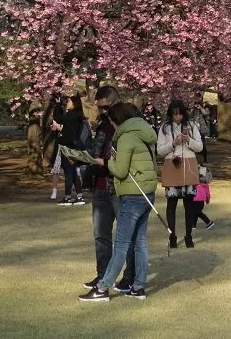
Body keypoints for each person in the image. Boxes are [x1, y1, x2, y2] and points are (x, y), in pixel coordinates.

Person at [79, 102, 157, 302]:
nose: (111, 126)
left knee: (121, 244)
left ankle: (102, 288)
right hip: (147, 193)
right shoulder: (145, 132)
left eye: (112, 122)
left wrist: (106, 162)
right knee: (139, 242)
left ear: (117, 120)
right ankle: (138, 287)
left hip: (132, 195)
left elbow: (120, 171)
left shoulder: (126, 137)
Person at [83, 85, 135, 293]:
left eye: (106, 107)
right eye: (100, 108)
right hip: (100, 184)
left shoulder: (129, 123)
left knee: (125, 235)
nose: (103, 111)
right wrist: (83, 156)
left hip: (119, 186)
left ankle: (129, 276)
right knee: (101, 234)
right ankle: (103, 275)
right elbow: (96, 149)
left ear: (116, 101)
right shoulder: (103, 124)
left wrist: (106, 161)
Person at [157, 99, 204, 248]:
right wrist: (173, 144)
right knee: (171, 203)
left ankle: (188, 235)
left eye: (180, 114)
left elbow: (200, 147)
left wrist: (188, 139)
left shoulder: (192, 125)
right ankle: (172, 236)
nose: (178, 117)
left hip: (188, 165)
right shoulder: (165, 128)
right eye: (175, 114)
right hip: (172, 164)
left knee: (189, 203)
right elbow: (159, 150)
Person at [52, 93, 88, 206]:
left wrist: (58, 105)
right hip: (73, 146)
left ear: (74, 104)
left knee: (68, 172)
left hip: (68, 147)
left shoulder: (72, 115)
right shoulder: (76, 115)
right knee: (73, 172)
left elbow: (57, 118)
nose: (67, 103)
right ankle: (79, 196)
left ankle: (68, 197)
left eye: (69, 101)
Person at [192, 165, 215, 230]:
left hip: (198, 199)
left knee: (197, 212)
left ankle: (209, 222)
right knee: (195, 212)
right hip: (197, 199)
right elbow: (207, 194)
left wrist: (207, 200)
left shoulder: (199, 183)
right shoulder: (199, 183)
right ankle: (193, 225)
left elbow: (207, 194)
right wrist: (207, 200)